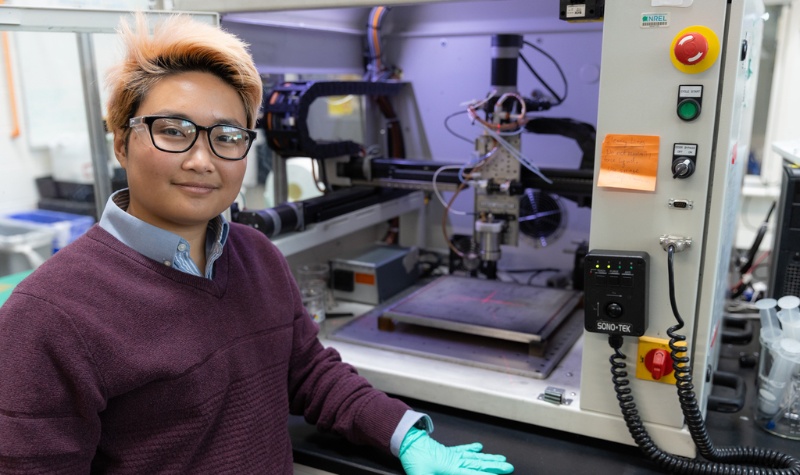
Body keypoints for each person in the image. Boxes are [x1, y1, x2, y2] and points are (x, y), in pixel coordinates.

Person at [0, 13, 514, 475]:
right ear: (121, 140)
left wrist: (403, 435)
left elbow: (310, 372)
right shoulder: (48, 316)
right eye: (174, 131)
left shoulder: (256, 256)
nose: (202, 160)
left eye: (227, 136)